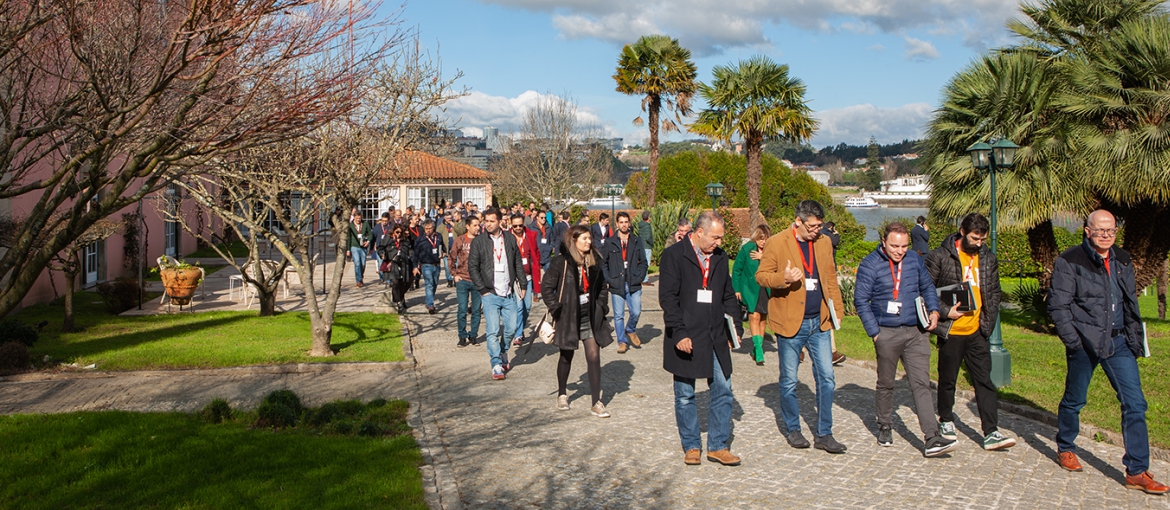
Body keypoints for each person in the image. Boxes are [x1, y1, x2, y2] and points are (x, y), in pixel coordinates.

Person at [1048, 210, 1167, 494]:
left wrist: (1133, 336)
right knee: (1075, 400)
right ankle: (1065, 446)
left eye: (1111, 231)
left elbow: (1128, 302)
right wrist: (1074, 342)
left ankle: (1137, 470)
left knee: (1135, 403)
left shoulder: (1123, 259)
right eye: (1100, 230)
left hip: (1118, 343)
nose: (1106, 235)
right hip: (1086, 343)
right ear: (1087, 231)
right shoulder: (1070, 260)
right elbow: (1058, 306)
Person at [756, 200, 848, 454]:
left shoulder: (824, 242)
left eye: (820, 226)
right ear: (798, 221)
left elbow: (830, 278)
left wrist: (836, 311)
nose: (817, 230)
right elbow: (762, 276)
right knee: (788, 381)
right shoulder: (777, 241)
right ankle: (793, 429)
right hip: (789, 323)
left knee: (827, 379)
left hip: (819, 322)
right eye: (813, 226)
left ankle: (824, 433)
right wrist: (782, 279)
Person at [854, 222, 954, 457]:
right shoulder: (870, 264)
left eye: (904, 246)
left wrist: (934, 311)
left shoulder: (914, 260)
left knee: (921, 383)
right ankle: (885, 424)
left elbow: (927, 286)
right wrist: (875, 333)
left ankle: (931, 437)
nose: (900, 251)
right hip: (886, 332)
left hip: (915, 332)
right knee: (886, 382)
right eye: (895, 246)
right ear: (884, 242)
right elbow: (861, 301)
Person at [924, 212, 1015, 451]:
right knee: (947, 380)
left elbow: (994, 291)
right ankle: (945, 419)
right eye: (975, 238)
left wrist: (988, 318)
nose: (979, 243)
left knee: (984, 381)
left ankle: (991, 431)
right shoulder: (940, 256)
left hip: (977, 330)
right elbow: (926, 289)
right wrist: (945, 312)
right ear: (962, 232)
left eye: (983, 239)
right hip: (951, 330)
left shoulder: (987, 258)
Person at [659, 211, 743, 467]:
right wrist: (680, 332)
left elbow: (728, 295)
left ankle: (718, 446)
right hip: (686, 334)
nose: (719, 242)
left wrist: (735, 326)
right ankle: (692, 445)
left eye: (721, 238)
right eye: (715, 237)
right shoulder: (674, 256)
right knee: (685, 394)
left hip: (715, 334)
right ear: (699, 233)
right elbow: (668, 299)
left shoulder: (720, 257)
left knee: (724, 389)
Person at [542, 225, 614, 417]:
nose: (588, 242)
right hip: (568, 316)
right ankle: (562, 393)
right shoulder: (561, 262)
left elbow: (602, 288)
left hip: (590, 315)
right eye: (584, 239)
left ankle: (596, 402)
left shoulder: (594, 261)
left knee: (594, 356)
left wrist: (601, 306)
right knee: (566, 356)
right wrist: (556, 309)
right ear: (573, 241)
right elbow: (546, 288)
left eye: (589, 238)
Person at [468, 207, 526, 380]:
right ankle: (496, 364)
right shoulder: (479, 242)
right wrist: (482, 290)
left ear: (500, 221)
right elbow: (473, 267)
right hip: (490, 293)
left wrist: (523, 283)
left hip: (508, 292)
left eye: (492, 221)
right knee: (492, 331)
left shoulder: (509, 238)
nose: (488, 224)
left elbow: (517, 263)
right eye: (486, 221)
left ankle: (502, 351)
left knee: (511, 328)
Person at [601, 212, 648, 354]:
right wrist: (609, 279)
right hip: (617, 282)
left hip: (633, 281)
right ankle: (622, 341)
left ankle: (631, 329)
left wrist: (640, 277)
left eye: (626, 222)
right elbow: (604, 263)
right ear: (617, 223)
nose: (624, 224)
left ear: (629, 223)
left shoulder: (636, 240)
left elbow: (644, 262)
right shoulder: (610, 242)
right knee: (618, 315)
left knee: (636, 311)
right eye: (621, 222)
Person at [732, 224, 771, 365]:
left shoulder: (770, 250)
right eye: (760, 239)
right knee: (754, 316)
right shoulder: (747, 249)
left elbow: (777, 265)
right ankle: (758, 348)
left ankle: (758, 346)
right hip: (750, 289)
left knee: (762, 318)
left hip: (766, 288)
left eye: (765, 239)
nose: (763, 242)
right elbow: (737, 269)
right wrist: (736, 289)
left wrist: (763, 257)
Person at [508, 214, 542, 347]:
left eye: (520, 225)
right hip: (514, 278)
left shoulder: (530, 236)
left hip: (527, 277)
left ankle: (519, 329)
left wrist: (537, 266)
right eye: (515, 225)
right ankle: (518, 334)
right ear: (511, 225)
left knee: (527, 306)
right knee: (519, 307)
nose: (517, 228)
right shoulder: (507, 237)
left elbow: (535, 253)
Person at [450, 216, 482, 347]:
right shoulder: (460, 240)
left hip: (477, 280)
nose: (477, 227)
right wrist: (454, 274)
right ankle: (462, 336)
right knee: (462, 309)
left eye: (479, 225)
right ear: (468, 226)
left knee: (476, 310)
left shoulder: (482, 240)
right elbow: (451, 257)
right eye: (475, 225)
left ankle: (473, 335)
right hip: (462, 279)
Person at [412, 220, 446, 314]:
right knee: (429, 284)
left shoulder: (438, 236)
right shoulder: (420, 239)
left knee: (434, 284)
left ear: (433, 228)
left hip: (437, 264)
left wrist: (444, 252)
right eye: (426, 229)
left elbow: (443, 247)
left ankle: (428, 301)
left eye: (430, 228)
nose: (428, 230)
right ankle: (431, 305)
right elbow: (415, 254)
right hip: (426, 265)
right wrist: (415, 266)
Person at [377, 225, 411, 313]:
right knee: (395, 282)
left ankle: (401, 298)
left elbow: (410, 250)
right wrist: (382, 254)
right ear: (393, 231)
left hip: (403, 263)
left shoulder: (405, 240)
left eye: (400, 232)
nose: (399, 234)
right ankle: (398, 302)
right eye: (397, 232)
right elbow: (380, 247)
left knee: (403, 282)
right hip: (393, 263)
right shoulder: (388, 239)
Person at [347, 209, 372, 288]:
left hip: (363, 246)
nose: (358, 220)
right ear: (354, 217)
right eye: (356, 218)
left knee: (363, 264)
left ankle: (361, 277)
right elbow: (348, 238)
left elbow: (370, 234)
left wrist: (368, 241)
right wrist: (348, 250)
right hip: (354, 246)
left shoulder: (365, 224)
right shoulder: (350, 226)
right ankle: (358, 280)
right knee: (357, 263)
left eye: (359, 218)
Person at [371, 213, 393, 284]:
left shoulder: (392, 226)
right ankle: (381, 277)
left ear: (389, 220)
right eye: (383, 220)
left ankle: (388, 279)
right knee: (380, 263)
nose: (384, 222)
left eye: (386, 221)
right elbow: (373, 237)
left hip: (389, 247)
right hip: (379, 247)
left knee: (388, 263)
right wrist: (372, 247)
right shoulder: (377, 227)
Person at [438, 213, 457, 287]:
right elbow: (438, 238)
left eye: (450, 218)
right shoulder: (441, 227)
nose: (449, 220)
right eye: (448, 218)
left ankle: (456, 279)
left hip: (456, 250)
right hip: (446, 251)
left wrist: (453, 224)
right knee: (447, 266)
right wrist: (441, 251)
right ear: (444, 219)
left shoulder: (455, 224)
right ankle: (449, 280)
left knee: (456, 265)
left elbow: (461, 231)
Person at [637, 210, 654, 285]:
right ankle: (645, 279)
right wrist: (652, 243)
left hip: (641, 245)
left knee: (642, 262)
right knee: (646, 263)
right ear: (648, 217)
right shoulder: (647, 226)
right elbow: (648, 237)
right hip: (647, 246)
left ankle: (642, 277)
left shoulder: (641, 225)